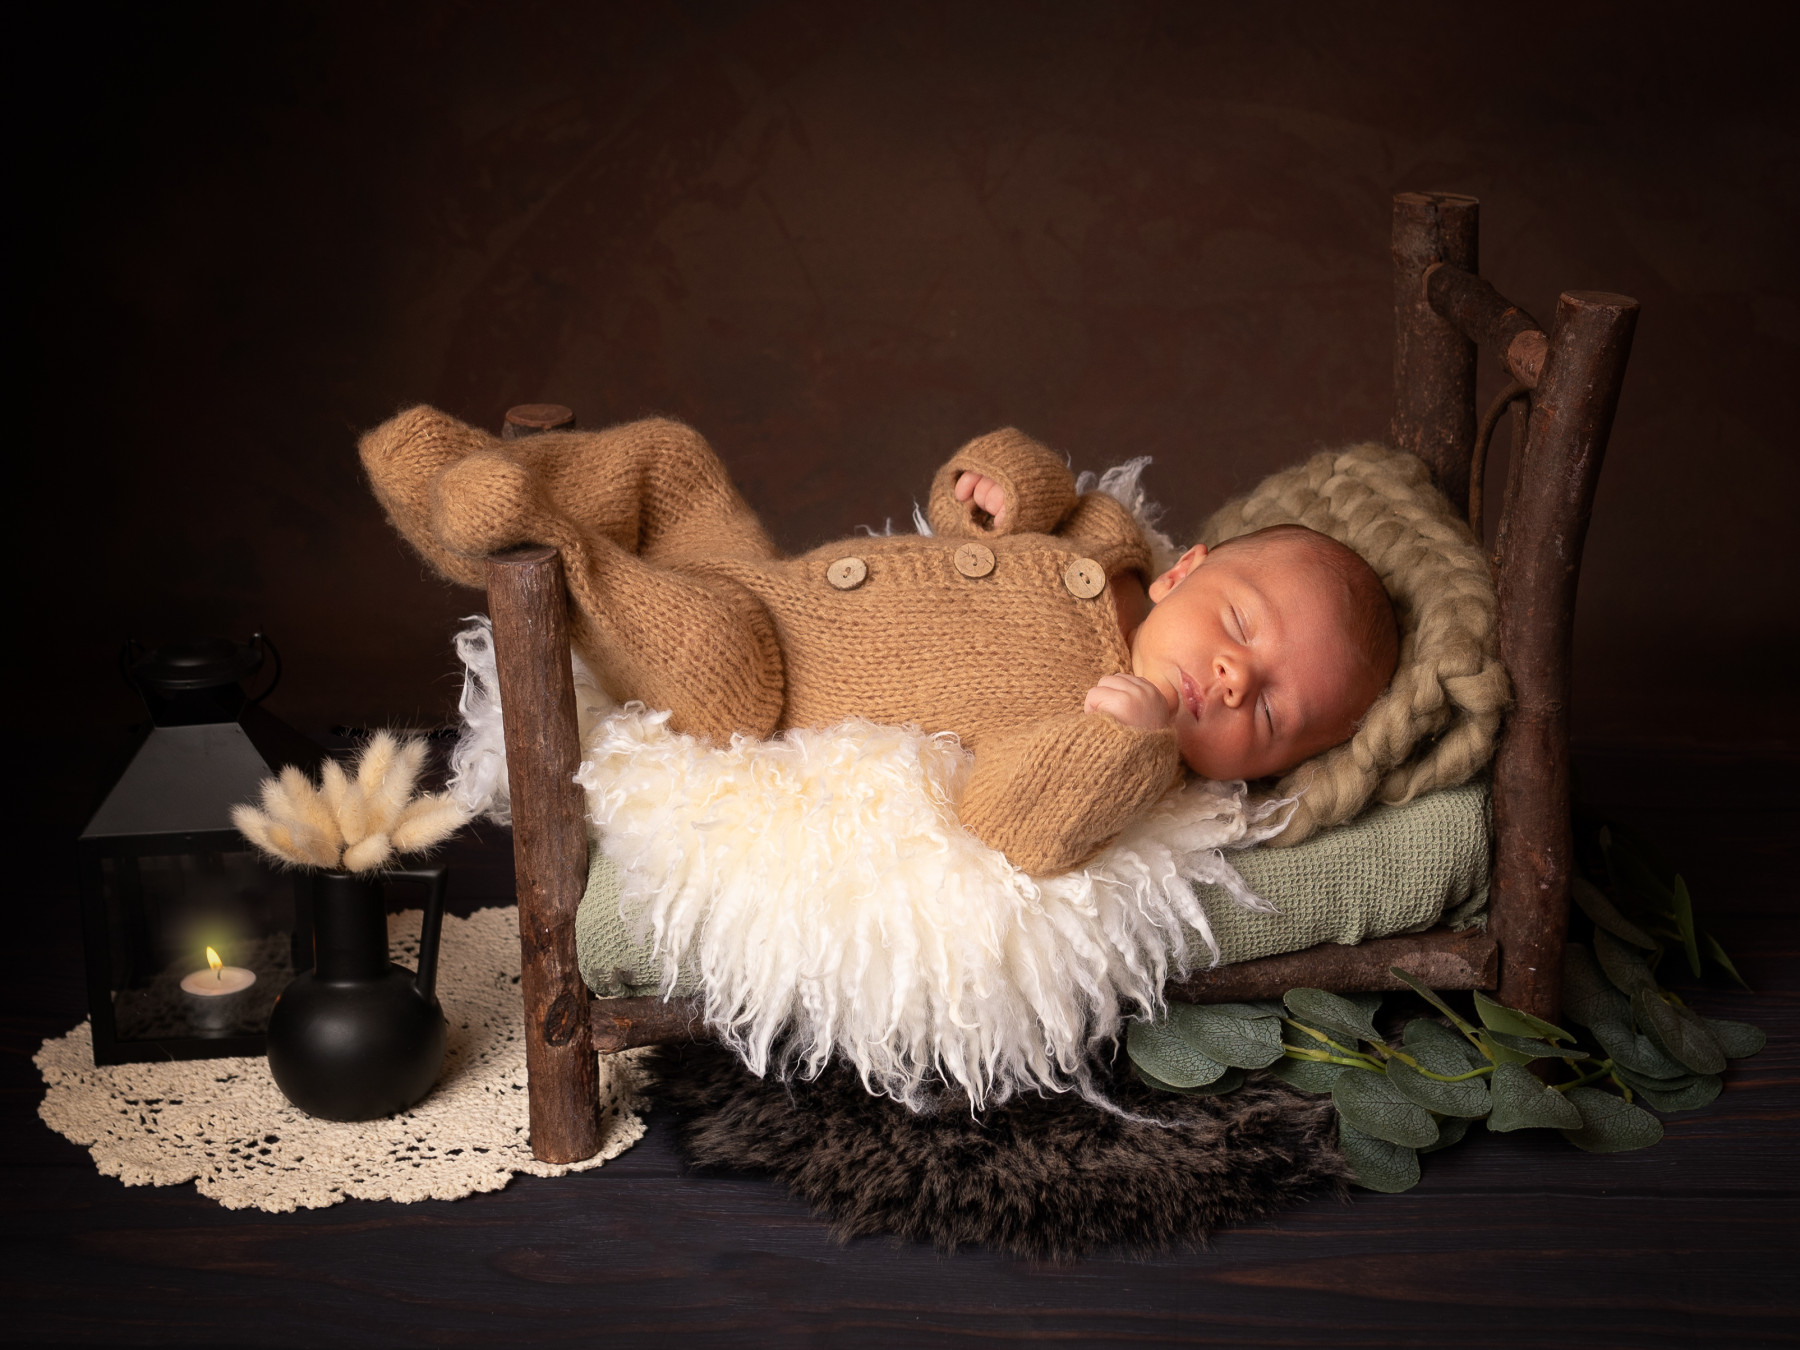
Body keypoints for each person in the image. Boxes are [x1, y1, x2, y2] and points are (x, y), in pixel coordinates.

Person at [361, 409, 1398, 874]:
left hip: (758, 681)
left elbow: (1013, 824)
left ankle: (537, 536)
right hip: (770, 579)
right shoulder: (1111, 545)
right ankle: (466, 472)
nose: (1232, 678)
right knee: (673, 464)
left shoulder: (1125, 749)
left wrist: (1120, 740)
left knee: (709, 642)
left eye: (1271, 712)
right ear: (1184, 570)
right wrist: (996, 488)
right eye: (1240, 626)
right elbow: (1010, 491)